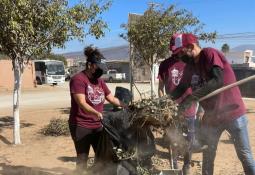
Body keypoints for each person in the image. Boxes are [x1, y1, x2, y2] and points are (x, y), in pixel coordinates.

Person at [170, 33, 255, 175]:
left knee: (244, 155)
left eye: (181, 53)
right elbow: (181, 87)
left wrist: (191, 99)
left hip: (233, 113)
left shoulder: (209, 54)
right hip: (212, 118)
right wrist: (165, 100)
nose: (179, 57)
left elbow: (218, 80)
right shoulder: (191, 67)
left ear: (191, 47)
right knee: (208, 156)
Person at [69, 46, 126, 174]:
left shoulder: (100, 82)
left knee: (102, 158)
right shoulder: (78, 79)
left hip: (98, 126)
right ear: (89, 65)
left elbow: (111, 98)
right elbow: (82, 103)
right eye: (98, 67)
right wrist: (96, 113)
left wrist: (127, 106)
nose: (100, 70)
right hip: (81, 125)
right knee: (82, 158)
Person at [158, 34, 201, 174]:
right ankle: (175, 166)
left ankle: (187, 165)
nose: (177, 54)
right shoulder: (164, 64)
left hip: (189, 110)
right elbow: (160, 88)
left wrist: (201, 108)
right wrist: (165, 104)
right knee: (174, 140)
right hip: (172, 111)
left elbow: (200, 87)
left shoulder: (192, 63)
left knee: (189, 141)